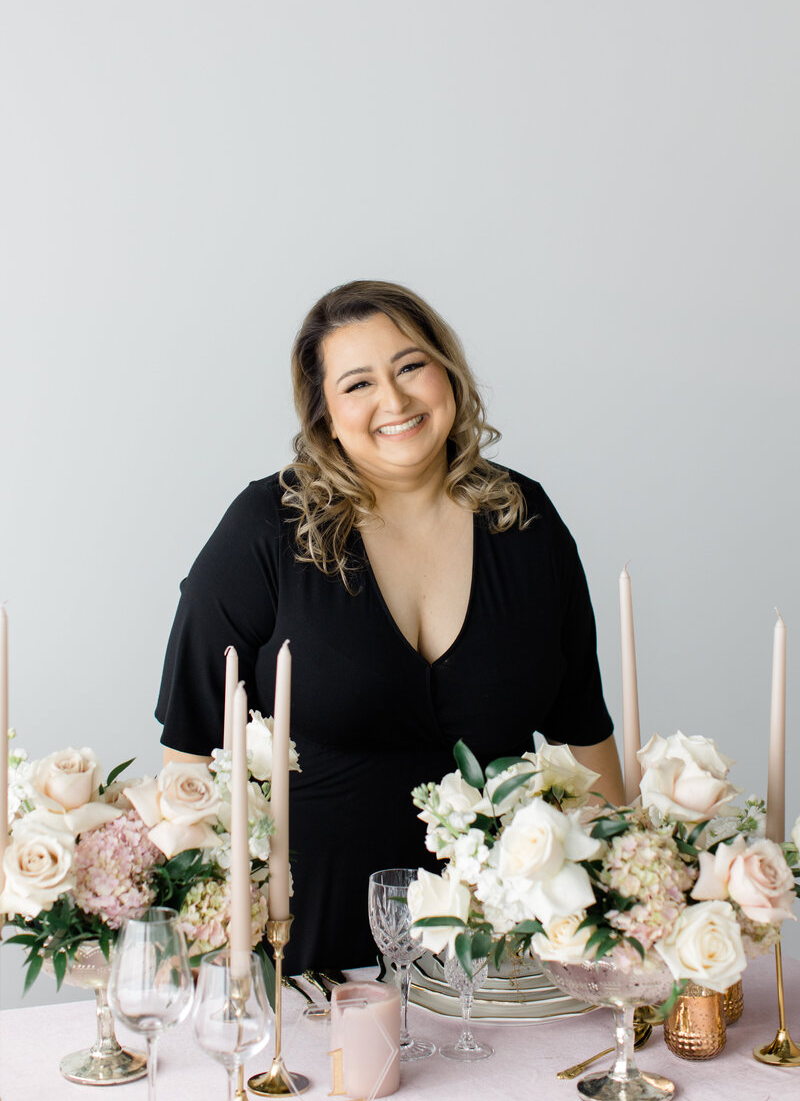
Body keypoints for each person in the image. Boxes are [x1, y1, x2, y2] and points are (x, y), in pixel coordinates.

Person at [156, 280, 624, 973]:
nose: (395, 401)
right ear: (325, 415)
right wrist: (192, 957)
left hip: (498, 951)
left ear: (449, 375)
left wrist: (633, 909)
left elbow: (585, 734)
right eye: (358, 383)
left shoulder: (525, 520)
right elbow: (188, 758)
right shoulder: (265, 530)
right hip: (302, 954)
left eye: (410, 367)